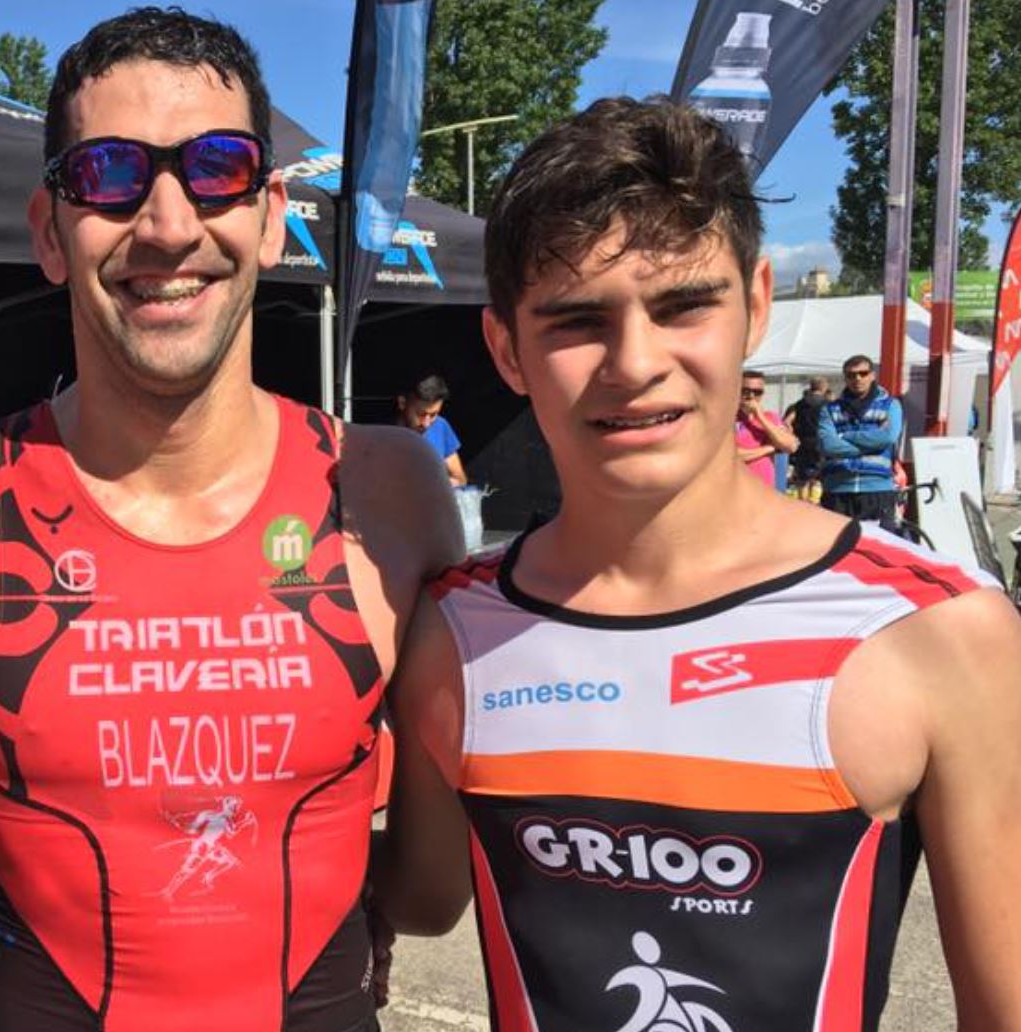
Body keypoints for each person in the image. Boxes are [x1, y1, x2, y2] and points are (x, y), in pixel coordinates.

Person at [0, 9, 466, 1031]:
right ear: (49, 230)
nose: (169, 225)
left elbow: (435, 895)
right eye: (109, 174)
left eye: (217, 168)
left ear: (270, 215)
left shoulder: (387, 488)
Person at [377, 97, 1021, 1028]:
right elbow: (421, 899)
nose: (634, 362)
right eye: (576, 320)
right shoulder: (452, 630)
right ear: (505, 348)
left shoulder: (937, 632)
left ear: (755, 304)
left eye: (682, 306)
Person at [819, 354, 905, 534]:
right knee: (836, 548)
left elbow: (888, 437)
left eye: (863, 373)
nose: (857, 378)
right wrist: (871, 445)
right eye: (851, 375)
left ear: (872, 375)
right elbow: (828, 445)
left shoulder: (891, 405)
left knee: (878, 547)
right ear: (845, 378)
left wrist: (844, 435)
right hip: (837, 490)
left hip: (877, 489)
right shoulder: (829, 409)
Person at [395, 372, 469, 485]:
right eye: (421, 414)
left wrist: (444, 484)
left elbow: (460, 479)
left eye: (433, 415)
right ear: (402, 403)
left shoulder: (441, 426)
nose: (427, 424)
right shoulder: (382, 436)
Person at [733, 369, 796, 488]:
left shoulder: (770, 418)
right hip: (736, 488)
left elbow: (791, 446)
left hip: (764, 489)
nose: (751, 396)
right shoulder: (728, 419)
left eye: (757, 392)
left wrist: (760, 417)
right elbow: (730, 456)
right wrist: (769, 448)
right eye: (745, 391)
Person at [783, 375, 829, 501]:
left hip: (802, 443)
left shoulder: (799, 404)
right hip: (820, 443)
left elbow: (787, 421)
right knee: (818, 478)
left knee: (802, 479)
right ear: (824, 387)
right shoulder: (827, 404)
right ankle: (814, 502)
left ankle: (802, 503)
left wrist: (792, 433)